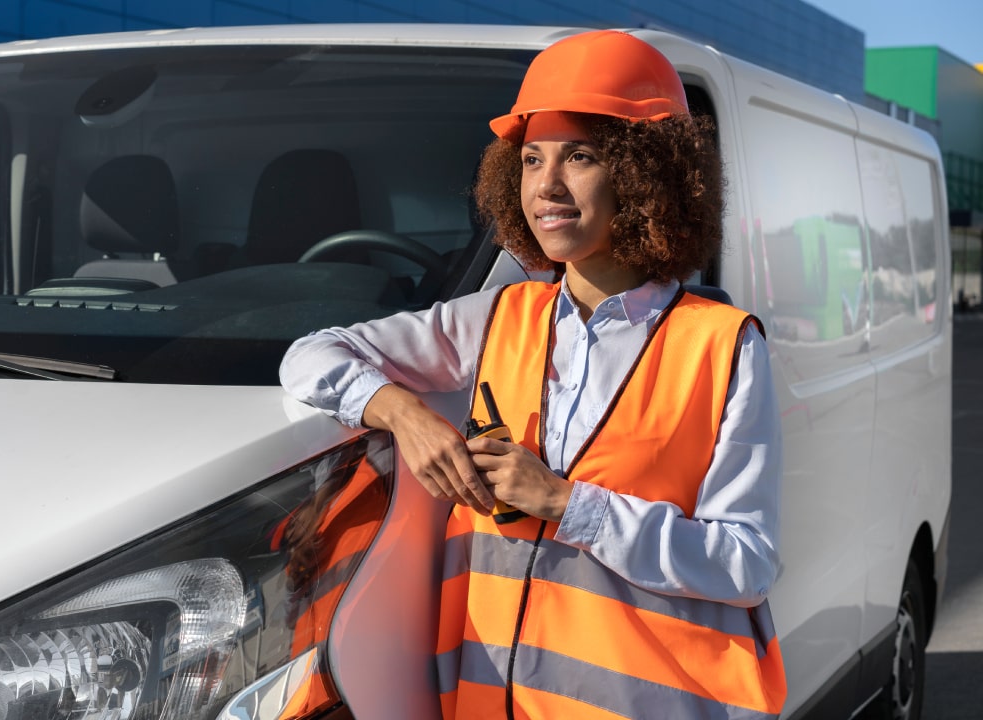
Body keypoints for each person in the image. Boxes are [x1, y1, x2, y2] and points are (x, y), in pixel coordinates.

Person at [280, 30, 787, 719]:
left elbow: (746, 564)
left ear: (646, 175)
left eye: (580, 156)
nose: (546, 186)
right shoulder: (494, 319)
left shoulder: (724, 346)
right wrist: (403, 413)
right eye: (530, 159)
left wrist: (566, 503)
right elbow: (310, 355)